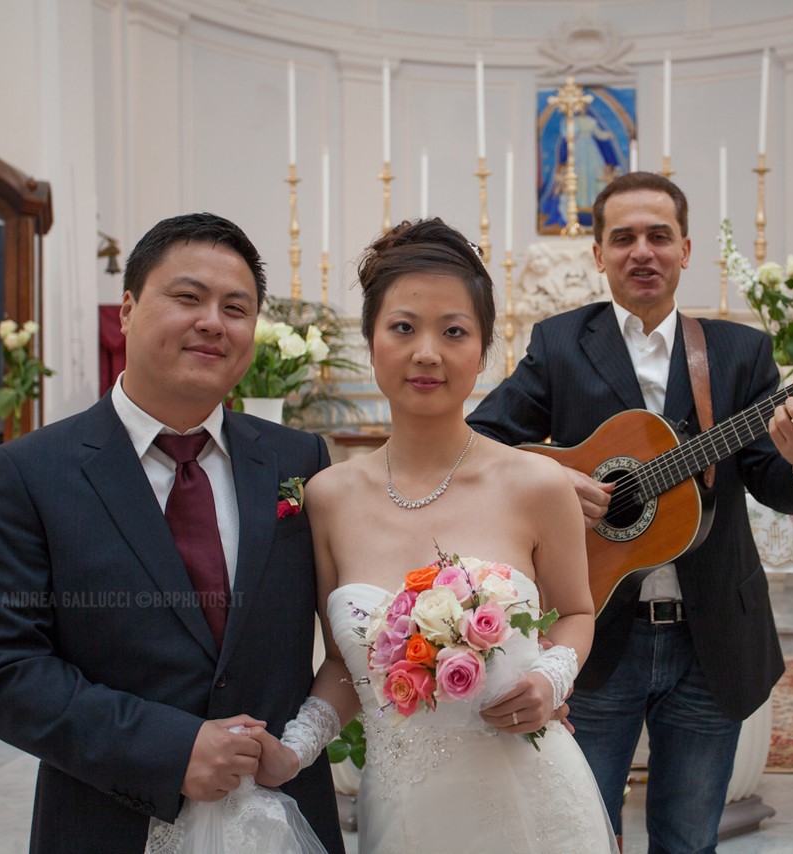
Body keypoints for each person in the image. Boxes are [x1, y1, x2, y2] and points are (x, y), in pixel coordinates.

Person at [467, 171, 793, 852]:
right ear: (600, 254)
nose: (643, 250)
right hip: (595, 634)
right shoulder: (559, 344)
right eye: (624, 237)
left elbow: (768, 479)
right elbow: (480, 444)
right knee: (581, 831)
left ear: (686, 250)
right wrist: (551, 477)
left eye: (659, 235)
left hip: (710, 638)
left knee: (689, 839)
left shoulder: (737, 351)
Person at [0, 213, 344, 854]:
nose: (213, 321)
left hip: (285, 821)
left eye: (236, 307)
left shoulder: (296, 462)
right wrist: (169, 748)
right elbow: (0, 666)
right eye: (188, 297)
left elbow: (352, 628)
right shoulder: (30, 473)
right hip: (107, 820)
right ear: (128, 310)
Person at [256, 218, 617, 852]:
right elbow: (345, 665)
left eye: (454, 331)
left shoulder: (540, 485)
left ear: (484, 351)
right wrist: (296, 747)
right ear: (372, 342)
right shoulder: (328, 498)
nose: (428, 352)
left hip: (533, 798)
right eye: (403, 328)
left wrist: (549, 681)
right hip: (404, 809)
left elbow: (578, 612)